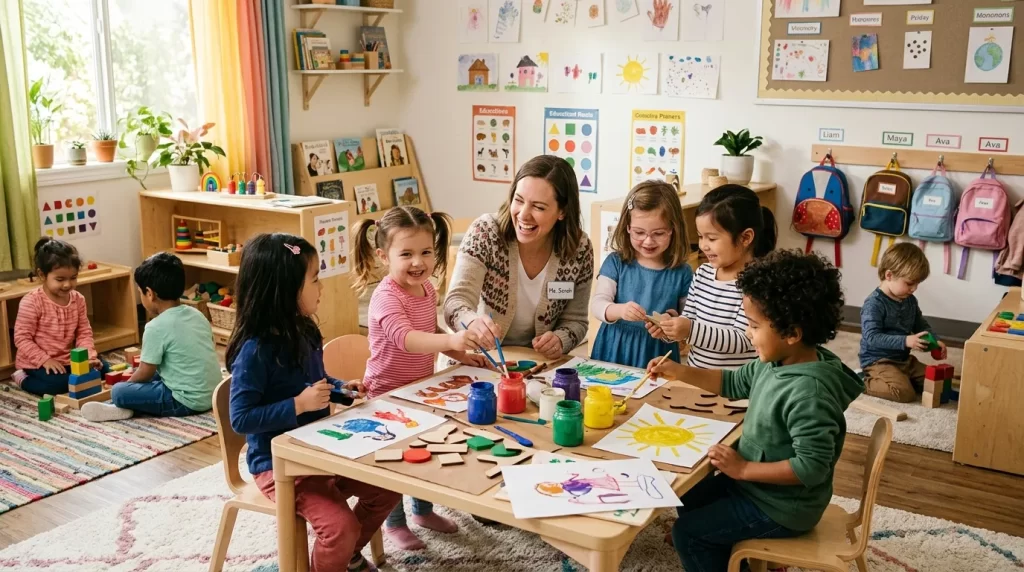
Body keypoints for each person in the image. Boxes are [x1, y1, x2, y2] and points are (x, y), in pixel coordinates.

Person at [647, 249, 863, 571]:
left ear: (792, 333)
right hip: (757, 488)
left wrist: (744, 469)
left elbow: (811, 468)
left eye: (754, 325)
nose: (748, 333)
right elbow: (732, 382)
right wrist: (678, 372)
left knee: (688, 533)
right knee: (690, 490)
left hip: (782, 508)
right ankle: (737, 558)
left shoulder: (808, 393)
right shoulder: (778, 361)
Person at [228, 233, 400, 572]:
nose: (321, 288)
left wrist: (339, 389)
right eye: (315, 280)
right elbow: (241, 418)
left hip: (322, 451)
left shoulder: (304, 331)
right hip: (281, 466)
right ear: (284, 290)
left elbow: (314, 382)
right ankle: (340, 549)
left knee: (388, 488)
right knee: (340, 527)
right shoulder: (255, 351)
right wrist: (298, 405)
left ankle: (345, 555)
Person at [352, 206, 488, 550]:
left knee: (423, 451)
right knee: (395, 460)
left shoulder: (427, 289)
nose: (418, 262)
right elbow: (407, 339)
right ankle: (395, 522)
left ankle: (422, 511)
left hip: (419, 391)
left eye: (426, 252)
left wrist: (462, 354)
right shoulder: (385, 297)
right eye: (407, 254)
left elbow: (430, 330)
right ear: (384, 256)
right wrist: (452, 341)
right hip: (385, 394)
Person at [444, 155, 594, 359]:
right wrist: (472, 322)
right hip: (477, 359)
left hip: (536, 366)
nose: (523, 214)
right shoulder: (486, 233)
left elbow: (576, 321)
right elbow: (455, 302)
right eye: (519, 200)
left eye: (539, 207)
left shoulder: (579, 249)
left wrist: (560, 338)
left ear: (562, 212)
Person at [649, 185, 777, 369]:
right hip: (697, 379)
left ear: (745, 237)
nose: (703, 246)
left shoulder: (758, 283)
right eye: (701, 236)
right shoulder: (702, 274)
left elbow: (744, 339)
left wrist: (690, 330)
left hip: (736, 387)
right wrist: (670, 330)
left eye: (712, 238)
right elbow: (689, 323)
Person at [82, 253, 222, 422]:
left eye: (140, 292)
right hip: (214, 394)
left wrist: (128, 385)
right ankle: (131, 404)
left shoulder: (155, 327)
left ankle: (120, 406)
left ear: (149, 293)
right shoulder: (196, 314)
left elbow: (145, 372)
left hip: (185, 401)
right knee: (157, 374)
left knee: (119, 391)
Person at [589, 180, 693, 368]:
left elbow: (687, 320)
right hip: (614, 349)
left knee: (656, 397)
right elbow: (597, 305)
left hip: (657, 353)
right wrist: (620, 310)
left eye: (658, 233)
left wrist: (670, 321)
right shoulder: (616, 262)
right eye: (639, 232)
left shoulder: (682, 272)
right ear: (627, 227)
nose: (648, 241)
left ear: (673, 229)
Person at [12, 238, 102, 395]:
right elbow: (22, 338)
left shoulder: (78, 299)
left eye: (73, 278)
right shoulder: (31, 302)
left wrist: (89, 356)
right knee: (57, 386)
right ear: (42, 275)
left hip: (66, 359)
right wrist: (44, 360)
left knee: (101, 370)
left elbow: (83, 332)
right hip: (36, 362)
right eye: (60, 279)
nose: (68, 284)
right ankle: (22, 377)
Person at [859, 242, 946, 402]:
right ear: (889, 275)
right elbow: (872, 337)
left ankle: (901, 377)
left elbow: (920, 323)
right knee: (904, 393)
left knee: (936, 382)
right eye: (909, 283)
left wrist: (935, 340)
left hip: (904, 360)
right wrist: (905, 341)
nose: (914, 288)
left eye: (917, 283)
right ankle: (860, 381)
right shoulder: (874, 304)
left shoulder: (909, 300)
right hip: (878, 361)